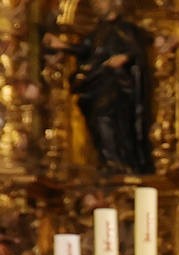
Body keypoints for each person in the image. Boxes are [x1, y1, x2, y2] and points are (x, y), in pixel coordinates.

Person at [44, 0, 154, 175]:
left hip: (118, 88)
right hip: (96, 85)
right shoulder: (98, 32)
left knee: (106, 117)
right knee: (97, 119)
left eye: (100, 1)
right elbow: (85, 49)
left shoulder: (125, 29)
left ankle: (117, 161)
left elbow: (137, 51)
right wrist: (62, 45)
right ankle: (108, 159)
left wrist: (124, 57)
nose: (97, 5)